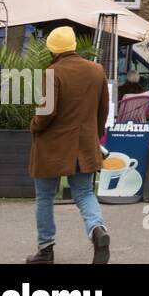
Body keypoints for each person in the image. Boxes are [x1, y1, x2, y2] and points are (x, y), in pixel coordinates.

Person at [27, 26, 111, 264]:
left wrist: (34, 126)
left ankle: (46, 250)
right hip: (84, 144)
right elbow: (103, 109)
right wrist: (95, 135)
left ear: (52, 49)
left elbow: (46, 112)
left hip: (52, 146)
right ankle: (98, 230)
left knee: (44, 196)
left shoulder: (53, 72)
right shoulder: (97, 70)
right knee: (84, 192)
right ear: (73, 45)